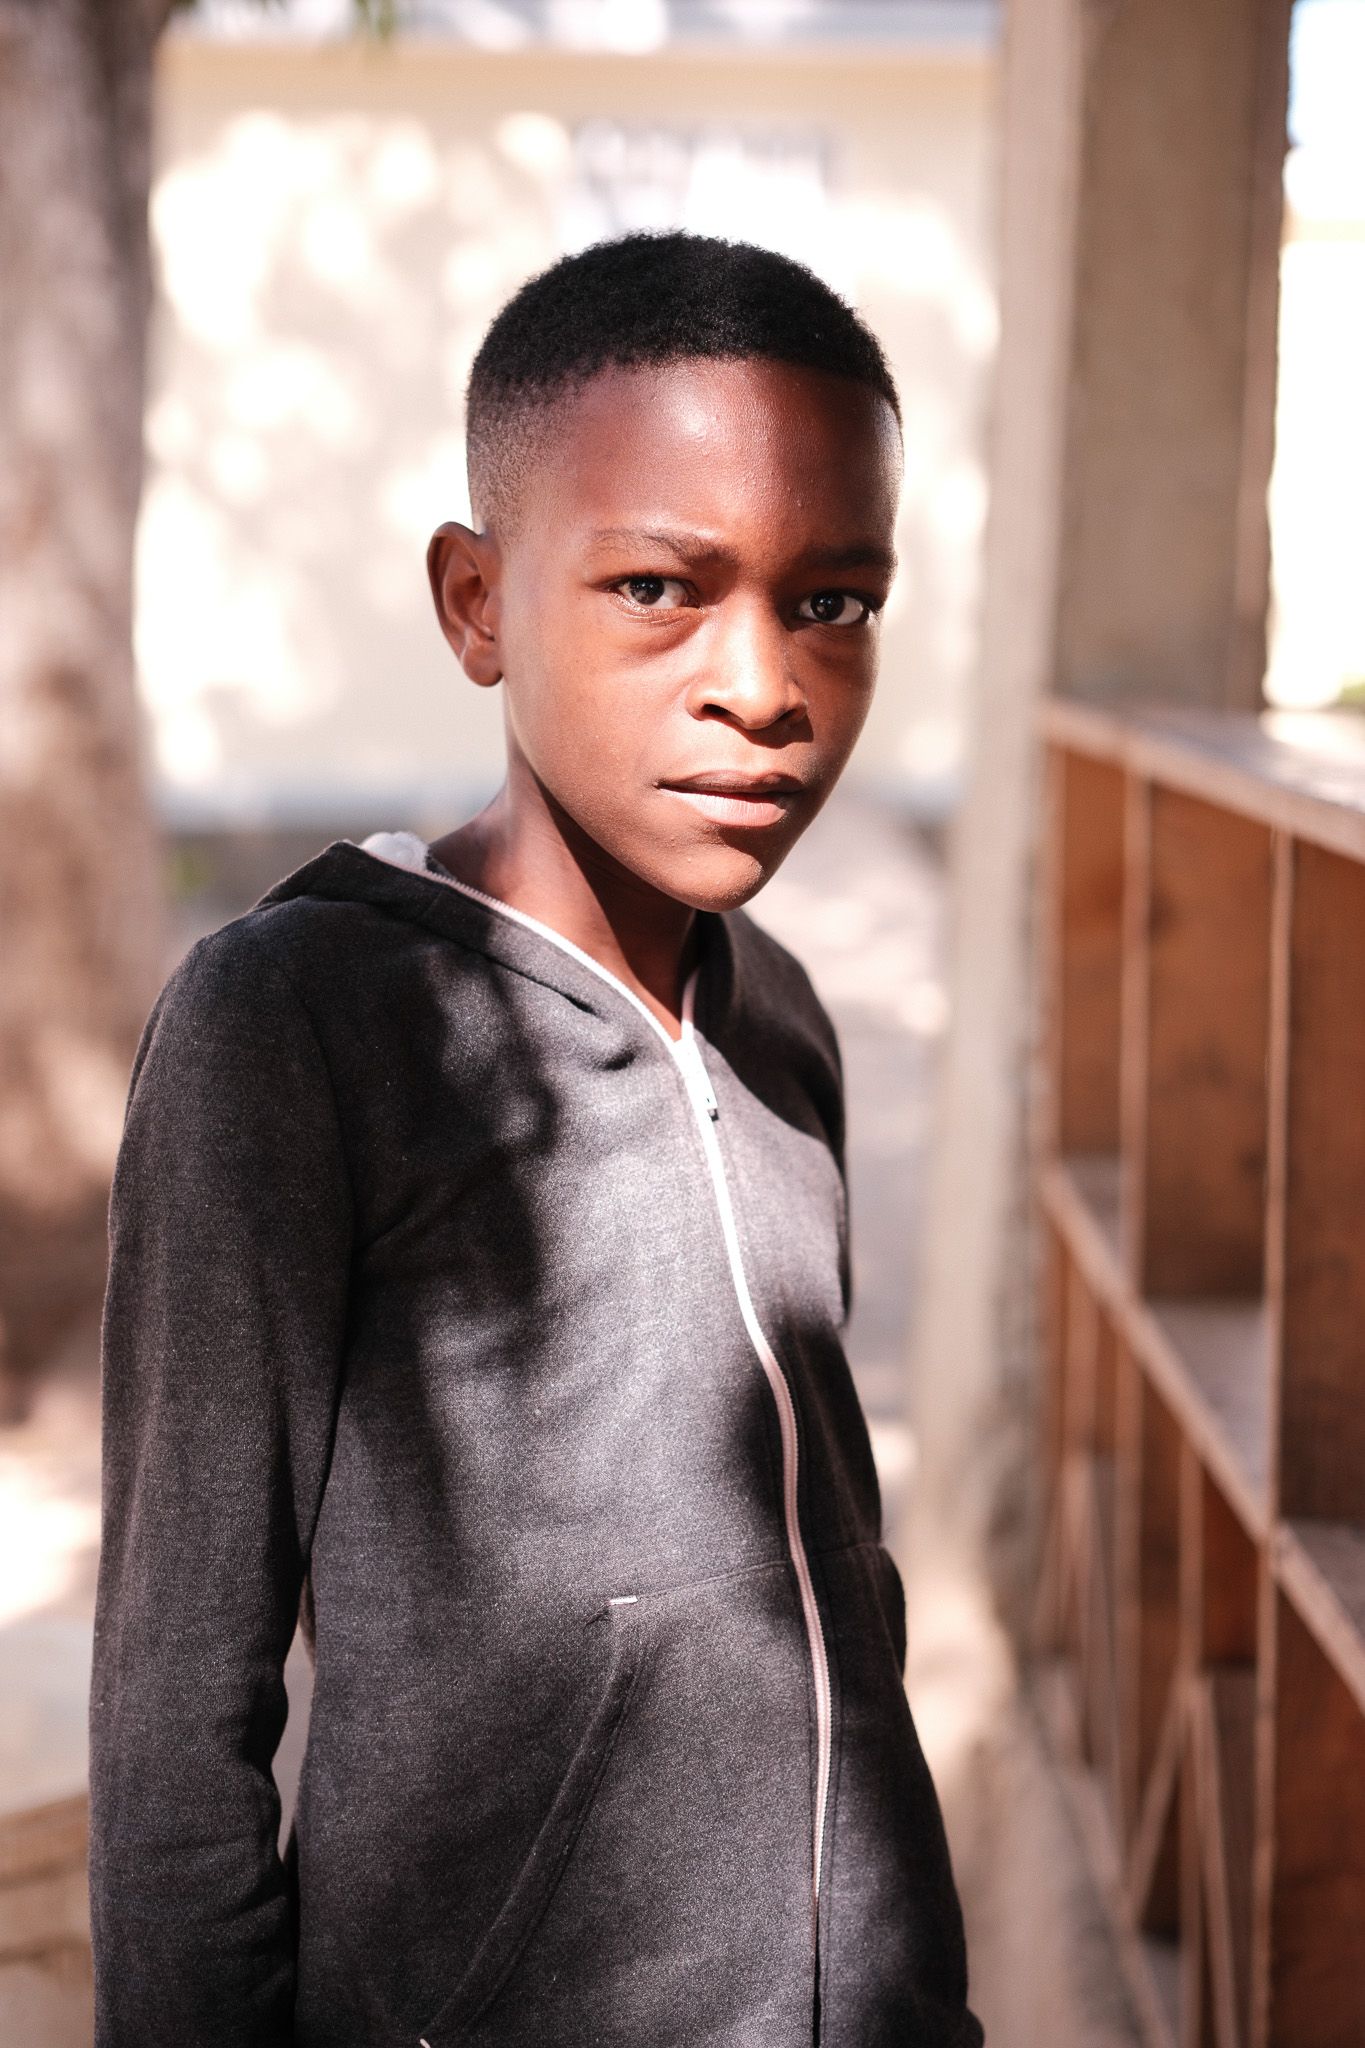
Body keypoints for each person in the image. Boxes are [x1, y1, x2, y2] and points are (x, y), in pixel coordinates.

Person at [89, 231, 981, 2047]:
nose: (764, 685)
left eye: (833, 603)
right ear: (478, 603)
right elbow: (177, 1719)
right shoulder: (301, 1025)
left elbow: (831, 1570)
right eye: (659, 587)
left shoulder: (781, 1019)